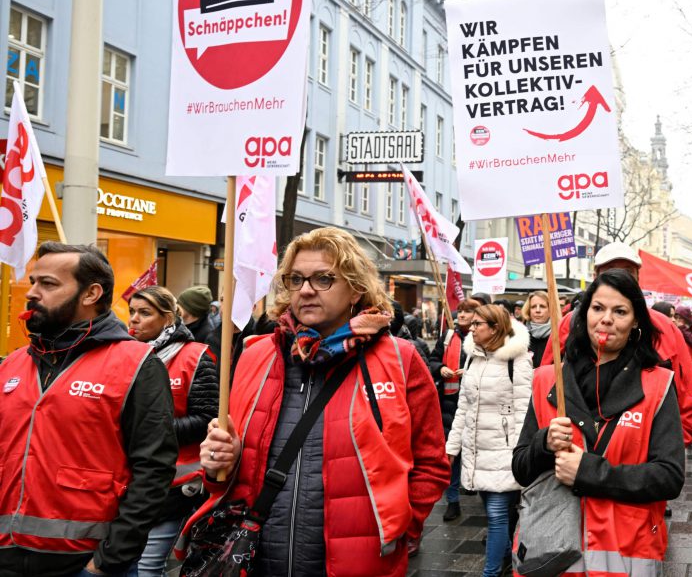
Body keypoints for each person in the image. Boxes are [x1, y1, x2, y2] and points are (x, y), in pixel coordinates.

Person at [192, 227, 448, 576]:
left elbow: (431, 464)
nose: (307, 290)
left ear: (356, 287)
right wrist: (217, 463)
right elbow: (228, 472)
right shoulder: (256, 354)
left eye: (324, 279)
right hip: (257, 560)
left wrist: (400, 530)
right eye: (295, 279)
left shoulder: (400, 360)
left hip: (360, 562)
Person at [0, 242, 178, 576]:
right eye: (34, 281)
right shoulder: (10, 366)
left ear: (91, 294)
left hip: (86, 563)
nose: (32, 293)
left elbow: (153, 469)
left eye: (48, 284)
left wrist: (107, 562)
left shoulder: (136, 363)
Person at [512, 270, 685, 573]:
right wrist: (543, 443)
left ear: (635, 323)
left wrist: (589, 472)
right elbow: (520, 467)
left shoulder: (658, 385)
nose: (606, 319)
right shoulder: (547, 380)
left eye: (620, 311)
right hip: (553, 558)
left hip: (626, 557)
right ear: (584, 314)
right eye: (598, 308)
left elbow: (669, 477)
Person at [543, 243, 692, 447]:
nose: (619, 278)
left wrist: (670, 447)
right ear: (596, 276)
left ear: (638, 278)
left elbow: (688, 393)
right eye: (611, 271)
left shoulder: (664, 328)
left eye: (627, 272)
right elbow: (546, 386)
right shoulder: (569, 324)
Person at [127, 286, 219, 577]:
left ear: (168, 318)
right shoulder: (124, 354)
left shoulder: (196, 356)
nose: (134, 320)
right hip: (128, 481)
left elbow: (207, 418)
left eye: (144, 313)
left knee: (147, 567)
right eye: (132, 312)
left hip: (176, 484)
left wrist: (152, 431)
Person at [446, 305, 533, 577]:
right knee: (491, 508)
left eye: (477, 324)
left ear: (494, 328)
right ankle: (506, 552)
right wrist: (452, 447)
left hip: (504, 448)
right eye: (471, 324)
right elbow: (464, 406)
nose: (471, 329)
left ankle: (490, 572)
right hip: (475, 447)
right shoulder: (472, 356)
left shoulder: (516, 359)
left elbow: (524, 410)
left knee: (496, 515)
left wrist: (519, 453)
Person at [427, 298, 482, 522]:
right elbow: (432, 360)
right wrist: (441, 369)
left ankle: (473, 485)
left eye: (467, 312)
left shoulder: (482, 337)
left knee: (473, 452)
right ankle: (452, 500)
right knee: (451, 454)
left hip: (474, 403)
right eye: (460, 311)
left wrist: (468, 372)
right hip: (449, 403)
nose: (461, 315)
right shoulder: (448, 336)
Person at [523, 290, 553, 368]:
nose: (537, 310)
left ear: (551, 310)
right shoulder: (519, 336)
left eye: (542, 306)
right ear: (528, 310)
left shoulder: (558, 336)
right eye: (533, 307)